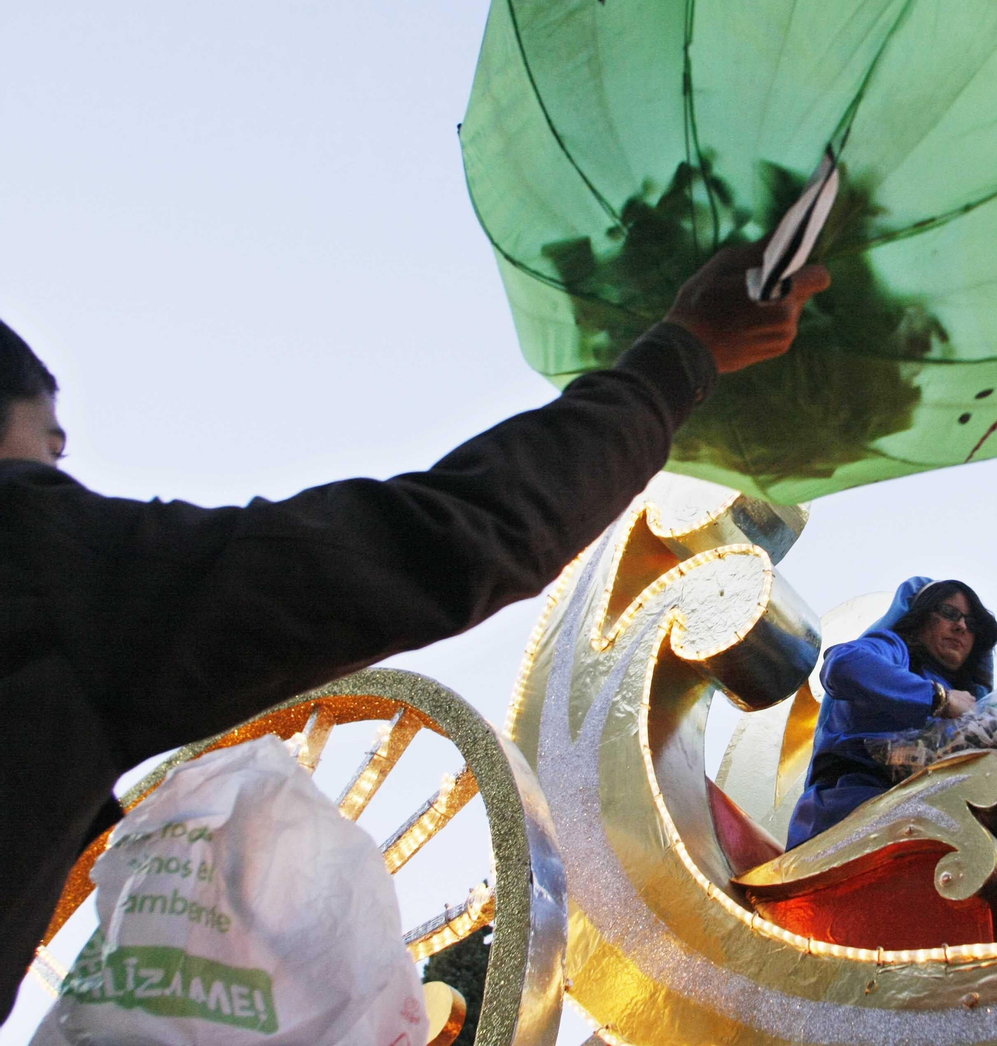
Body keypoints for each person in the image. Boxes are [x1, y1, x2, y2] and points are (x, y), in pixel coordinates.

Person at [0, 242, 828, 1022]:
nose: (58, 469)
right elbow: (447, 536)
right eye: (47, 449)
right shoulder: (42, 563)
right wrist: (682, 353)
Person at [788, 576, 997, 940]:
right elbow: (843, 665)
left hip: (934, 803)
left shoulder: (972, 697)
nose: (961, 626)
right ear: (922, 618)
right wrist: (938, 699)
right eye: (949, 613)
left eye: (972, 624)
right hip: (855, 804)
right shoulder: (896, 651)